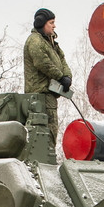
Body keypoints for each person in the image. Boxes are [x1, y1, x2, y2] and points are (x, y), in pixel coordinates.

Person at [23, 8, 72, 142]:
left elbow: (62, 59)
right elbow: (42, 62)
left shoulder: (51, 43)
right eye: (51, 22)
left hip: (49, 95)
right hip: (39, 94)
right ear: (41, 23)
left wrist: (67, 77)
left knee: (52, 131)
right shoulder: (35, 41)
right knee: (43, 133)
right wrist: (60, 77)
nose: (54, 26)